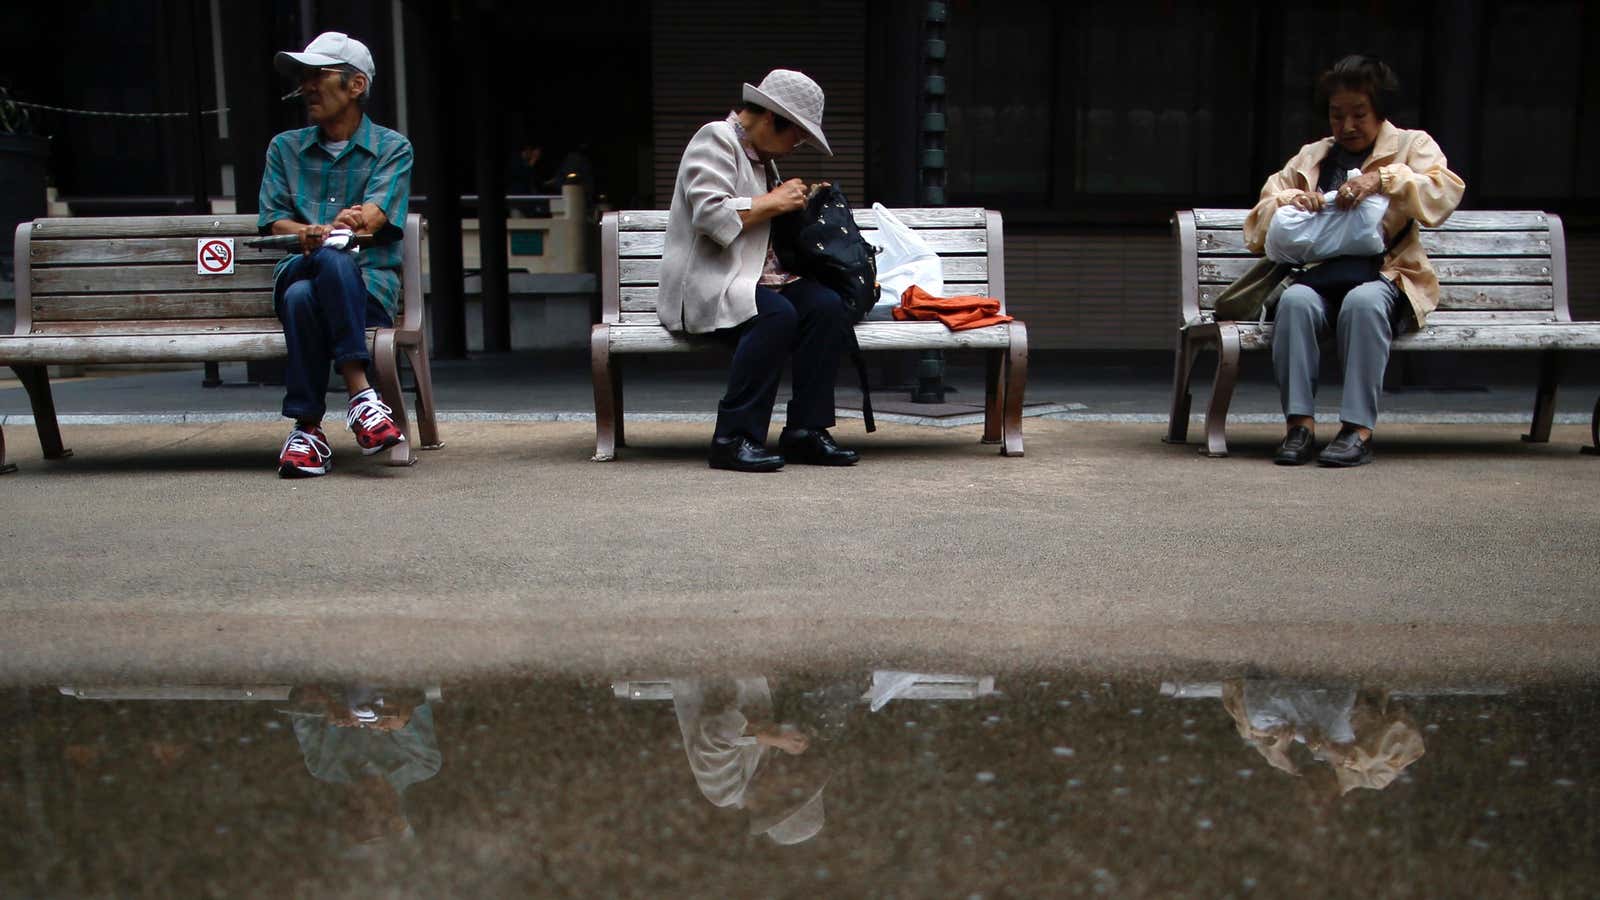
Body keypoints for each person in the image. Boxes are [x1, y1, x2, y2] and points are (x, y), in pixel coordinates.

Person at [1244, 55, 1464, 467]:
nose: (1347, 126)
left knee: (1363, 304)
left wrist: (1382, 179)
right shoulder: (1312, 156)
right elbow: (1260, 217)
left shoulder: (1411, 146)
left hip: (1386, 276)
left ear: (1379, 111)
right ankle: (1300, 426)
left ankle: (1357, 430)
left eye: (1359, 114)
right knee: (1294, 304)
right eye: (1336, 115)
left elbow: (1442, 193)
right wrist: (1296, 200)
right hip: (1320, 278)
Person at [658, 70, 858, 472]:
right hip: (714, 280)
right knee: (775, 316)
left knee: (827, 307)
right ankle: (733, 437)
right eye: (796, 134)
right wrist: (773, 200)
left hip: (760, 279)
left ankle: (806, 430)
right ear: (770, 119)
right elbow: (710, 215)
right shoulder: (715, 138)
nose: (797, 144)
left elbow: (764, 223)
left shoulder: (763, 158)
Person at [258, 32, 413, 478]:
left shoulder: (392, 148)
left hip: (366, 290)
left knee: (306, 295)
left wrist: (350, 224)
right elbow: (274, 221)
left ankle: (306, 430)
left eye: (316, 75)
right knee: (323, 260)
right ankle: (361, 395)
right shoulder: (283, 148)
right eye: (302, 78)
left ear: (355, 86)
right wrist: (308, 231)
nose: (306, 86)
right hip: (298, 265)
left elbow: (375, 217)